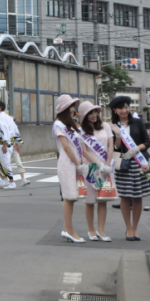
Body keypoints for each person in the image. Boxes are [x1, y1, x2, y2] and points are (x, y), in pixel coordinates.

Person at [107, 95, 150, 241]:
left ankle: (135, 228)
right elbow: (116, 147)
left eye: (126, 107)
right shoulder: (112, 125)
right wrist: (118, 135)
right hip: (124, 164)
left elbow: (147, 142)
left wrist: (136, 149)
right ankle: (128, 228)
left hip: (139, 163)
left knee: (138, 196)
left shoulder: (138, 122)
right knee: (125, 196)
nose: (124, 110)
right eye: (121, 108)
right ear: (115, 110)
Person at [77, 101, 113, 242]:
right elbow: (84, 151)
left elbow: (110, 146)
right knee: (90, 201)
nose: (93, 115)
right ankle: (91, 230)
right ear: (84, 116)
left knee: (103, 200)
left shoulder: (106, 126)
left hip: (106, 167)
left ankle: (101, 231)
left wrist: (107, 163)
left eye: (95, 112)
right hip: (91, 168)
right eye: (90, 113)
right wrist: (99, 164)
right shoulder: (81, 131)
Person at [53, 94, 87, 243]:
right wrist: (78, 164)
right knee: (69, 197)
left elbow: (78, 145)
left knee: (72, 198)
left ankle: (67, 229)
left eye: (74, 106)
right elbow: (66, 147)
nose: (73, 109)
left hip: (74, 162)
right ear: (64, 109)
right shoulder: (58, 125)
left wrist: (81, 161)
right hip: (67, 163)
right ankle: (69, 230)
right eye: (71, 106)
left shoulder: (69, 125)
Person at [0, 101, 19, 190]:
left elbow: (4, 131)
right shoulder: (7, 117)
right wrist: (17, 142)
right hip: (9, 141)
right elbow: (15, 129)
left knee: (5, 161)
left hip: (5, 142)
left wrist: (4, 144)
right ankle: (3, 180)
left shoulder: (1, 118)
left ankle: (12, 182)